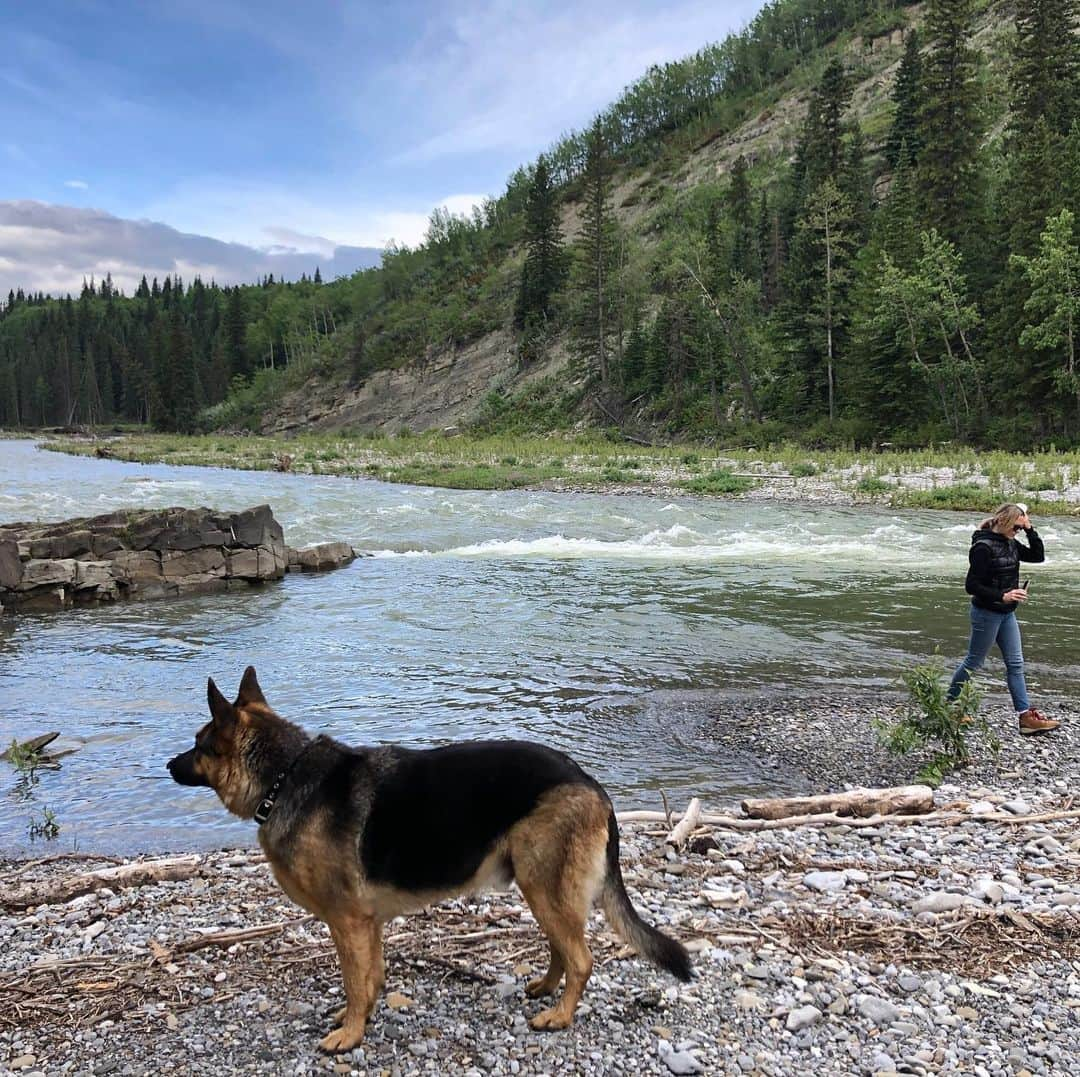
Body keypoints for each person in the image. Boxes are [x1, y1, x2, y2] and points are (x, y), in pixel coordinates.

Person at [947, 502, 1059, 733]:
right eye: (1016, 527)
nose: (1017, 531)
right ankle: (950, 707)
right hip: (986, 614)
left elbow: (1038, 556)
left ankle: (1025, 718)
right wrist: (1003, 595)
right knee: (974, 662)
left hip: (1006, 614)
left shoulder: (1011, 542)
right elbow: (971, 585)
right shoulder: (983, 547)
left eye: (1020, 529)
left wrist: (1030, 529)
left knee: (1016, 664)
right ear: (1004, 522)